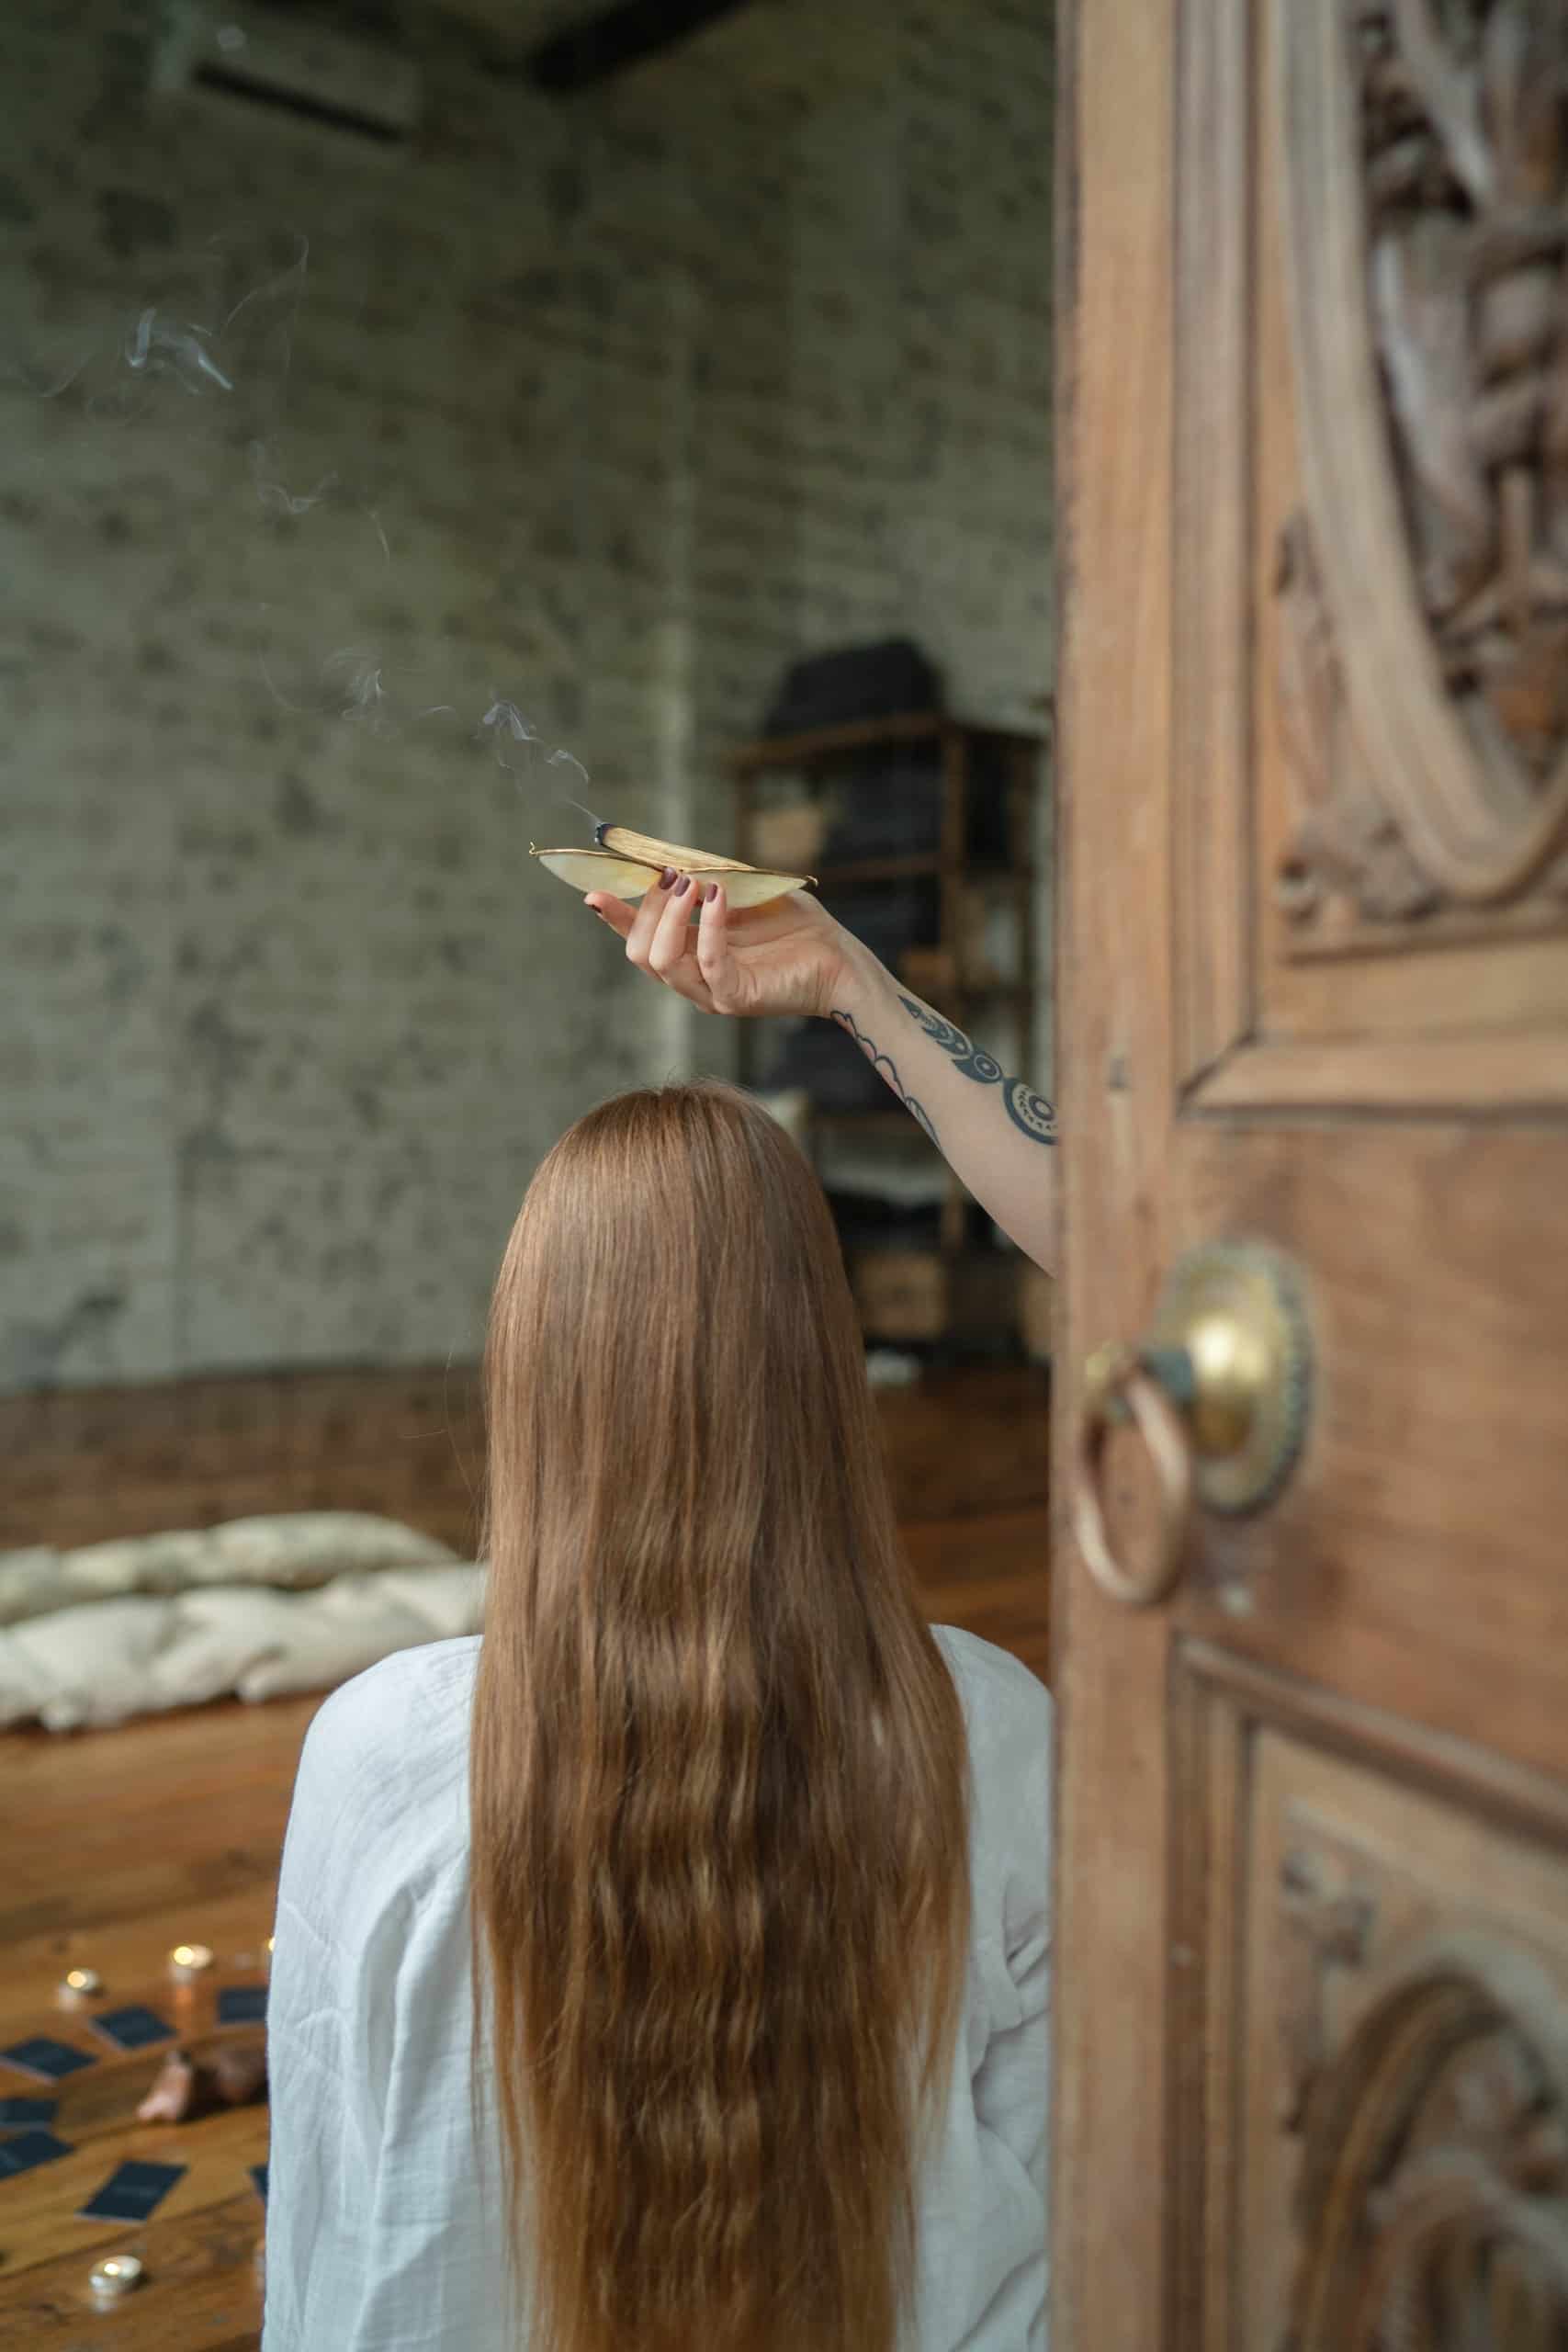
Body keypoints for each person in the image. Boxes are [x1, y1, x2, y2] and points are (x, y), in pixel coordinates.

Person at [263, 899, 1051, 2352]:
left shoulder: (375, 1749)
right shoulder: (996, 1727)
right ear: (824, 1371)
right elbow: (1064, 2218)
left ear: (533, 1370)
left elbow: (329, 2215)